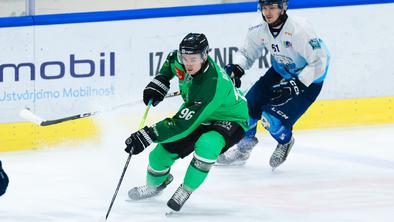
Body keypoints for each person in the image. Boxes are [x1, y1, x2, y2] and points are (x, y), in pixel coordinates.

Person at [124, 33, 249, 211]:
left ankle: (186, 189)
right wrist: (161, 80)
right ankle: (155, 186)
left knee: (207, 145)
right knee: (158, 156)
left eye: (193, 59)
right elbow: (171, 60)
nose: (188, 63)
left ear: (205, 56)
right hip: (201, 114)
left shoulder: (211, 83)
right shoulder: (181, 58)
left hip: (230, 118)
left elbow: (182, 125)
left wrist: (148, 135)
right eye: (185, 58)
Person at [216, 0, 330, 169]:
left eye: (272, 8)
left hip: (309, 80)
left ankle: (285, 142)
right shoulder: (258, 27)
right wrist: (237, 68)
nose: (267, 12)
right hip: (279, 72)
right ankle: (243, 149)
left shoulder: (300, 29)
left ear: (283, 8)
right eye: (264, 8)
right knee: (244, 113)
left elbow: (319, 61)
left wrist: (296, 84)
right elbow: (247, 53)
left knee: (272, 121)